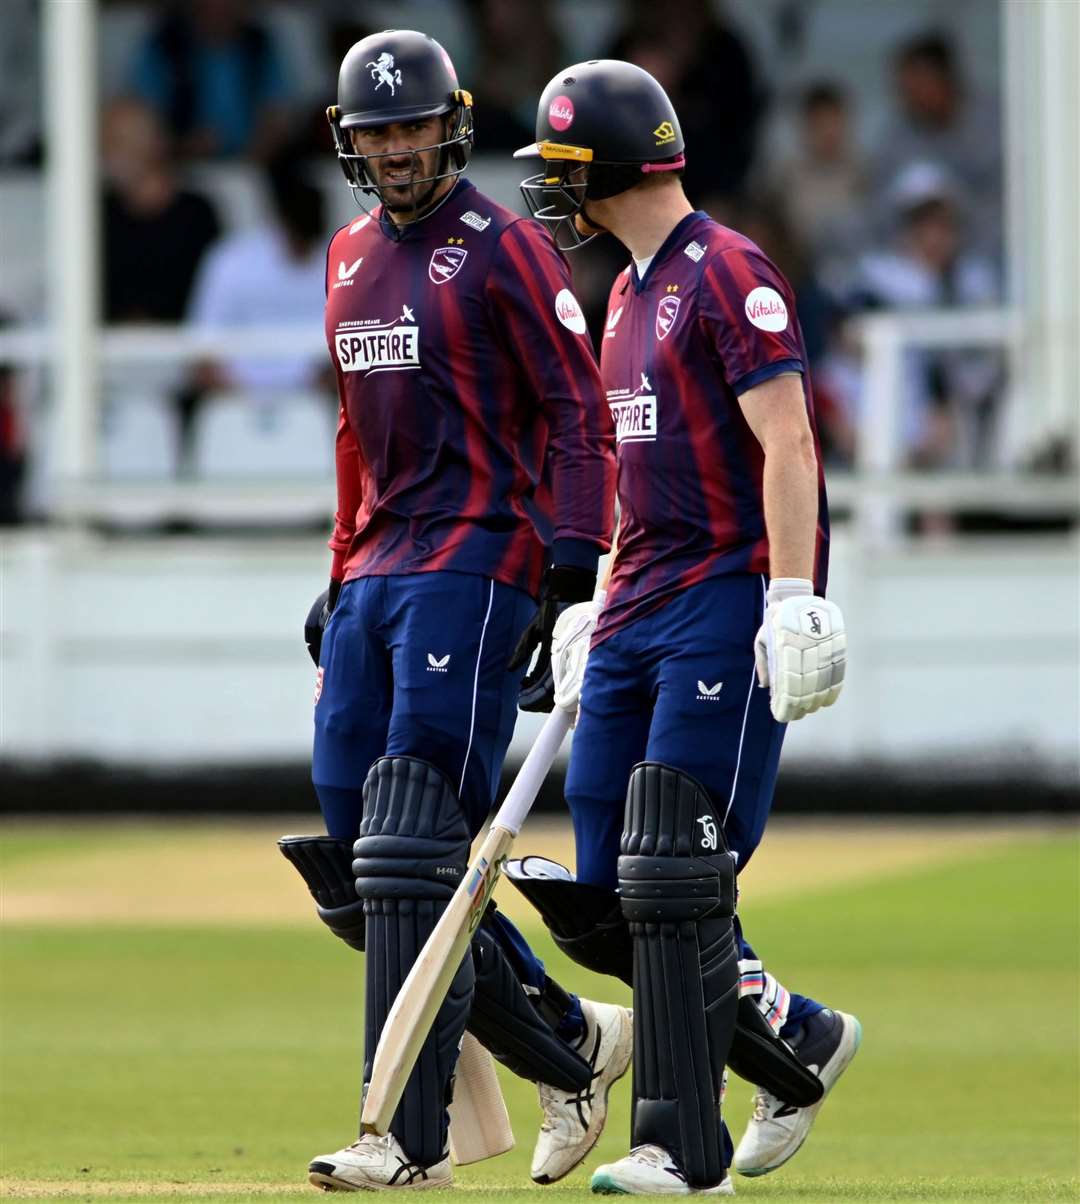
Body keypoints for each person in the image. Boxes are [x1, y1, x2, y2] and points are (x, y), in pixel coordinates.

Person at [277, 30, 627, 1194]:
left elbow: (577, 410)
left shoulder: (505, 249)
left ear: (451, 125)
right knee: (355, 872)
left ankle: (403, 1140)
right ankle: (569, 1043)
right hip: (379, 569)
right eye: (376, 130)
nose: (397, 147)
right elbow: (350, 431)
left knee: (412, 845)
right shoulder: (341, 256)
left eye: (413, 125)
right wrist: (339, 566)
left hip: (478, 561)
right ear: (349, 141)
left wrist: (570, 573)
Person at [510, 60, 858, 1195]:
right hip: (639, 606)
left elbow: (791, 444)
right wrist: (592, 602)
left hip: (722, 599)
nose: (549, 189)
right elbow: (624, 473)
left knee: (676, 870)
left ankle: (673, 1142)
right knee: (605, 894)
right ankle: (794, 1035)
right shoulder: (621, 295)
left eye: (561, 167)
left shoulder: (730, 272)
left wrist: (794, 593)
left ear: (605, 168)